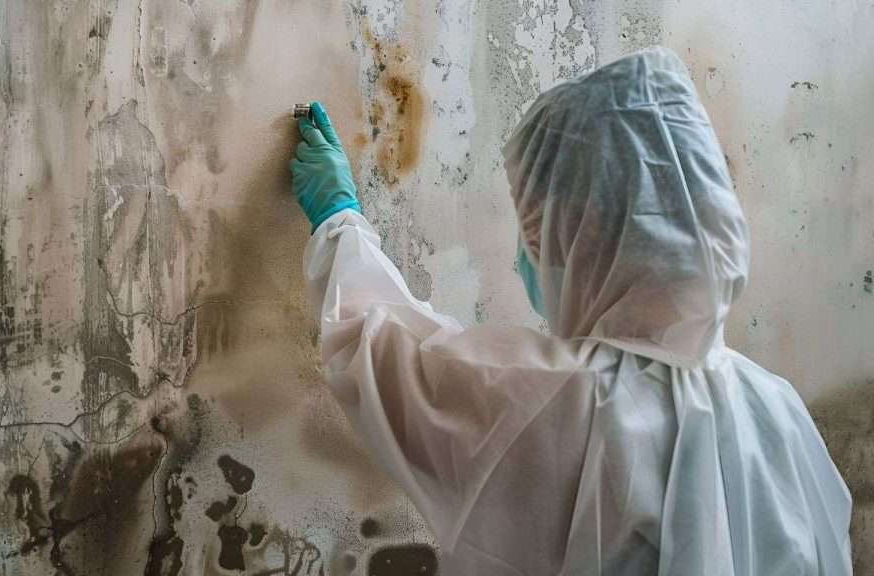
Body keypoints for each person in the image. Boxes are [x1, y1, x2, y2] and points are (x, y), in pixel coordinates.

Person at [289, 47, 852, 575]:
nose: (524, 260)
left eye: (539, 233)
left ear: (593, 238)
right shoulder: (779, 411)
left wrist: (339, 219)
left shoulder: (564, 402)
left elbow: (382, 351)